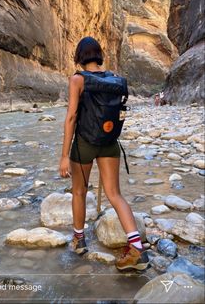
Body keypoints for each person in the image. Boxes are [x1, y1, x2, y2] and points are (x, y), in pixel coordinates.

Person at [59, 36, 149, 271]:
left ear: (79, 57)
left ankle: (79, 241)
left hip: (85, 143)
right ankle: (137, 249)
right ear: (99, 55)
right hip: (110, 143)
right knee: (115, 194)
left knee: (79, 191)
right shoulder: (116, 79)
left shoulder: (78, 79)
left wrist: (63, 155)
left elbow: (71, 118)